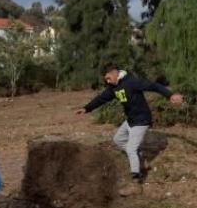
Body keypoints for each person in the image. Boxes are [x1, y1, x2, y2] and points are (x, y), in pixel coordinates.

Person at [77, 64, 183, 195]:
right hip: (131, 120)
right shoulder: (113, 87)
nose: (107, 81)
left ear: (115, 73)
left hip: (142, 120)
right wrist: (87, 108)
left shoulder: (132, 82)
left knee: (131, 148)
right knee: (118, 139)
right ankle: (140, 160)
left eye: (109, 78)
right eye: (106, 79)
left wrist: (170, 95)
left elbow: (153, 86)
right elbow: (101, 98)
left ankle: (135, 183)